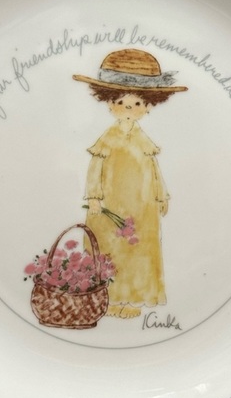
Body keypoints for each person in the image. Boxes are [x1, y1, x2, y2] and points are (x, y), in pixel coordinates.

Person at [73, 49, 187, 318]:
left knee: (139, 250)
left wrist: (161, 196)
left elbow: (153, 169)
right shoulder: (108, 139)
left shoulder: (143, 140)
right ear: (109, 103)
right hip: (109, 205)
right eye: (121, 101)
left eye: (137, 103)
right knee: (107, 248)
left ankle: (131, 300)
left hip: (142, 205)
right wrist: (94, 197)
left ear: (148, 106)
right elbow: (96, 167)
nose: (129, 108)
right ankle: (107, 299)